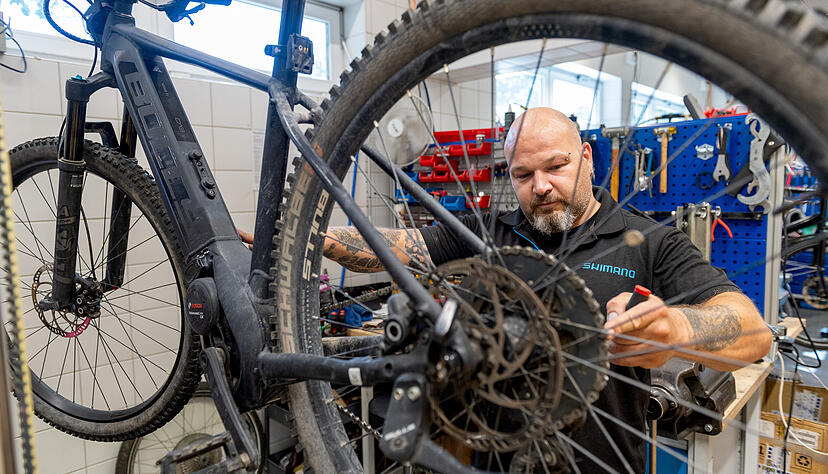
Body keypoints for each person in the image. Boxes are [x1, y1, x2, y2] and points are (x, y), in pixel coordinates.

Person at [239, 107, 772, 472]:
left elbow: (754, 332)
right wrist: (305, 239)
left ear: (587, 158)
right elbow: (401, 246)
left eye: (556, 166)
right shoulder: (492, 230)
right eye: (522, 174)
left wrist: (676, 328)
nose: (540, 187)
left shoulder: (649, 241)